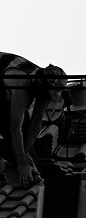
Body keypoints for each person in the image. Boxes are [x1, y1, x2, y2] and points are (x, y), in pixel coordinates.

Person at [0, 52, 67, 187]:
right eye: (59, 90)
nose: (59, 97)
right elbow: (15, 127)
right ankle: (18, 167)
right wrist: (22, 164)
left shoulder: (43, 84)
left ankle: (34, 168)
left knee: (26, 140)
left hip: (6, 85)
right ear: (50, 84)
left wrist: (26, 152)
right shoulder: (23, 83)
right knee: (10, 130)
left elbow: (36, 123)